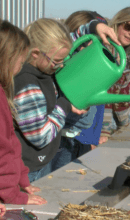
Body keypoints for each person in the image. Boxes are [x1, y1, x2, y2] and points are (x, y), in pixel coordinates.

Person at [13, 18, 87, 183]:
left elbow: (74, 38)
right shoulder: (27, 85)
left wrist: (95, 27)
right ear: (35, 53)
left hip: (39, 162)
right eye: (57, 61)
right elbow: (40, 136)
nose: (60, 66)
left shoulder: (42, 69)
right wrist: (65, 104)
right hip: (27, 171)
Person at [0, 18, 46, 205]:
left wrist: (22, 180)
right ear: (7, 58)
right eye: (21, 60)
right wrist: (13, 195)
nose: (22, 66)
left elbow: (11, 142)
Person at [51, 10, 120, 171]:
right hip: (57, 142)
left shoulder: (90, 72)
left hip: (78, 142)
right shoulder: (62, 66)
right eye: (87, 44)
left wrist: (95, 139)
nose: (91, 49)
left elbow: (97, 111)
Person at [100, 7, 130, 143]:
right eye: (128, 27)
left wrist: (124, 125)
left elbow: (122, 94)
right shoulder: (105, 50)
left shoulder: (125, 56)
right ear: (118, 24)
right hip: (90, 121)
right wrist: (103, 131)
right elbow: (104, 96)